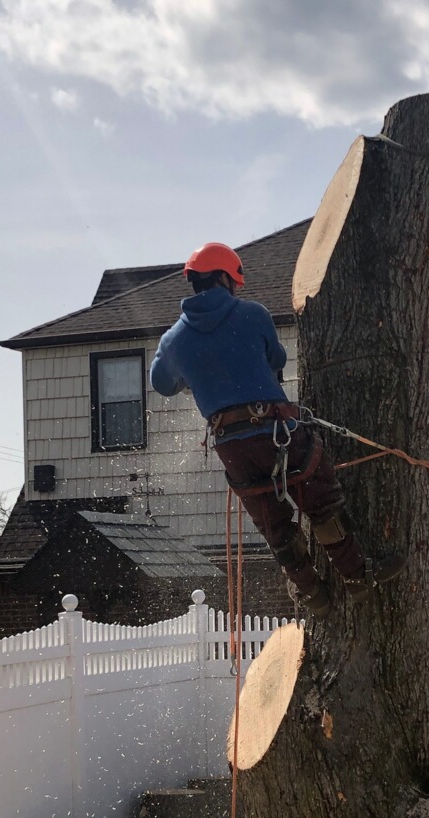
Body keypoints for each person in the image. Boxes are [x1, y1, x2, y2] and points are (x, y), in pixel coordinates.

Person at [150, 242, 405, 618]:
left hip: (230, 446)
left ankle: (313, 594)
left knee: (271, 521)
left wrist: (195, 373)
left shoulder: (173, 340)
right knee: (319, 497)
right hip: (273, 430)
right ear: (226, 279)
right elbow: (277, 358)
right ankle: (357, 576)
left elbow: (162, 383)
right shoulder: (252, 314)